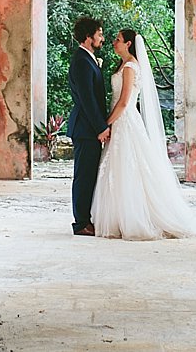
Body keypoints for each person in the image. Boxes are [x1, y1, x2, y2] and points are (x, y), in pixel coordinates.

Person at [91, 29, 196, 240]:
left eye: (118, 40)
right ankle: (119, 216)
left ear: (129, 44)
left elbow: (123, 102)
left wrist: (105, 124)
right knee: (118, 167)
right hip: (119, 121)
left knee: (129, 167)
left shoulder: (130, 67)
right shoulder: (122, 65)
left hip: (125, 120)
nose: (114, 42)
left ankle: (135, 217)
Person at [66, 16, 111, 237]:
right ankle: (81, 222)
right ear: (88, 37)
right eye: (99, 34)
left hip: (88, 128)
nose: (102, 38)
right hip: (85, 129)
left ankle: (86, 219)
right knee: (83, 176)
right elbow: (87, 99)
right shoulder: (82, 61)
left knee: (89, 174)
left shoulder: (88, 58)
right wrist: (100, 127)